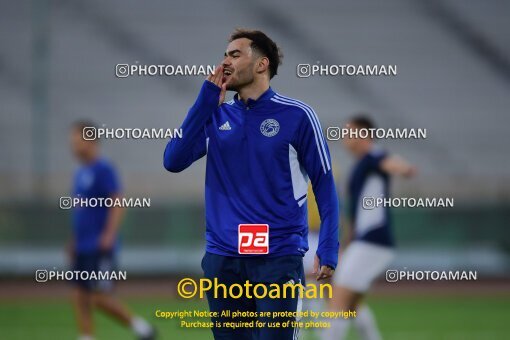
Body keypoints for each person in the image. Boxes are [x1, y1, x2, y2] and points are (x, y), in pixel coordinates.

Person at [164, 29, 340, 340]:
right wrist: (204, 102)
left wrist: (328, 245)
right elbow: (173, 160)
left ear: (261, 64)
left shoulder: (298, 115)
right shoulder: (215, 116)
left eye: (235, 54)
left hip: (278, 256)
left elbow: (324, 184)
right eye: (224, 55)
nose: (225, 61)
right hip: (223, 257)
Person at [323, 116, 416, 340]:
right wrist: (346, 244)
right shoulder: (361, 164)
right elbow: (355, 215)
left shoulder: (372, 156)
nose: (345, 138)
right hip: (365, 242)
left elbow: (389, 162)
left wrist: (403, 168)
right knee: (352, 306)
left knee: (337, 302)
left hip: (373, 242)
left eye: (350, 133)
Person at [68, 121, 155, 340]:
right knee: (79, 294)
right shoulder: (80, 172)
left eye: (78, 141)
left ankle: (141, 329)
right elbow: (81, 212)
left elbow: (117, 201)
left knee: (98, 296)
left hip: (99, 246)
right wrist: (73, 240)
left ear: (91, 141)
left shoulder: (103, 169)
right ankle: (86, 336)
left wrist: (109, 234)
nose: (74, 146)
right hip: (82, 245)